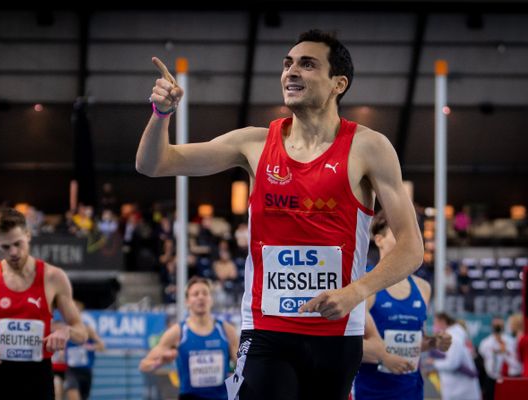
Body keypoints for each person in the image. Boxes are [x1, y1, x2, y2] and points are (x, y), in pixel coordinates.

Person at [136, 28, 423, 399]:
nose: (291, 72)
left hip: (336, 334)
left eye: (307, 64)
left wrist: (356, 292)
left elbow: (412, 247)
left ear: (339, 83)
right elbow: (154, 163)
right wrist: (162, 113)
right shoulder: (253, 143)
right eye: (287, 64)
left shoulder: (369, 148)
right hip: (266, 330)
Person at [0, 207, 87, 400]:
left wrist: (66, 332)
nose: (14, 252)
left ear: (28, 235)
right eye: (5, 247)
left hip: (38, 379)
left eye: (18, 244)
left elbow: (81, 333)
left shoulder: (53, 278)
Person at [354, 211, 452, 399]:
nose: (405, 240)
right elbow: (349, 345)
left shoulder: (423, 288)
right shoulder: (364, 284)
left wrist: (432, 342)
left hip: (411, 391)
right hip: (372, 392)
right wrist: (384, 356)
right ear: (379, 240)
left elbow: (410, 345)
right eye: (397, 234)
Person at [139, 276, 239, 400]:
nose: (201, 297)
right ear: (187, 301)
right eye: (195, 294)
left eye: (205, 293)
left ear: (211, 299)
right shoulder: (177, 332)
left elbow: (242, 366)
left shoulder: (226, 330)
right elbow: (144, 365)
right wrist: (160, 363)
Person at [431, 313, 481, 400]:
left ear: (442, 322)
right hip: (456, 388)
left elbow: (453, 363)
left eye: (435, 323)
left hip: (462, 390)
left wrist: (434, 363)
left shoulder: (454, 339)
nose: (434, 326)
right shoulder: (452, 337)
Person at [64, 300, 106, 400]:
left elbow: (102, 346)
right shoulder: (65, 328)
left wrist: (90, 347)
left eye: (75, 310)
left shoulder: (87, 329)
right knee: (72, 394)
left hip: (86, 370)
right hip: (71, 370)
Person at [478, 316, 523, 400]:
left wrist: (505, 351)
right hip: (490, 380)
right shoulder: (485, 343)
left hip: (507, 379)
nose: (497, 328)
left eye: (499, 325)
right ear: (492, 326)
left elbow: (517, 364)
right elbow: (482, 363)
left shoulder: (511, 342)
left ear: (503, 326)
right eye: (496, 325)